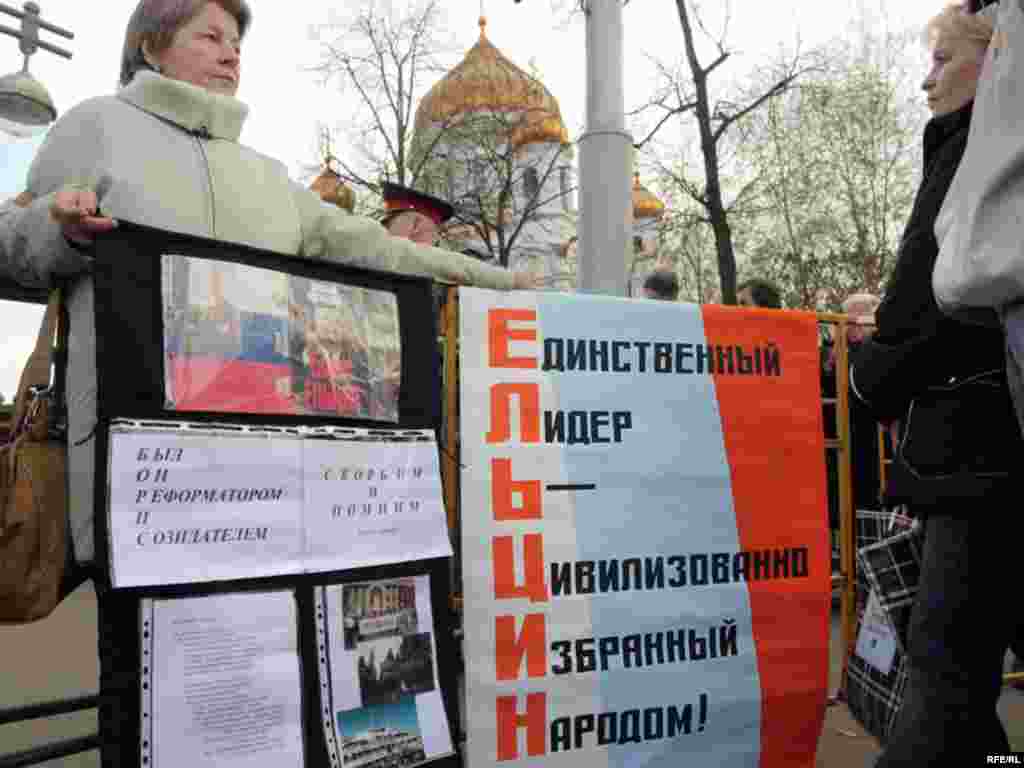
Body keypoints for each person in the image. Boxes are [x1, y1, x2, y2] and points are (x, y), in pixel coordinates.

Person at [0, 2, 532, 763]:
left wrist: (501, 283)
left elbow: (382, 253)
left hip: (269, 483)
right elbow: (10, 244)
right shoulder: (92, 128)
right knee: (151, 678)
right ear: (153, 45)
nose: (230, 54)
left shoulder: (266, 177)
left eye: (236, 40)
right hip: (144, 483)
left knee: (257, 682)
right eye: (209, 36)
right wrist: (56, 226)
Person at [849, 4, 1023, 763]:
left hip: (978, 446)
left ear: (998, 59)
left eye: (944, 59)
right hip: (976, 440)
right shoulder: (965, 148)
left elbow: (939, 291)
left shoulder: (980, 154)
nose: (927, 81)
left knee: (943, 669)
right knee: (959, 667)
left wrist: (870, 374)